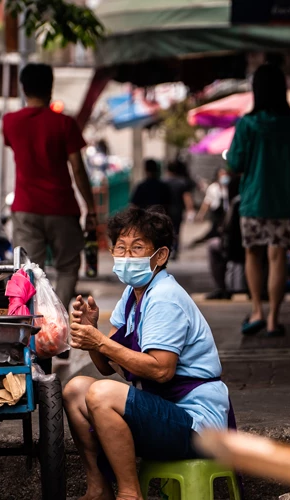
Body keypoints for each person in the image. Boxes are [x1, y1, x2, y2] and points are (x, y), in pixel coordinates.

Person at [64, 207, 231, 500]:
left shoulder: (165, 297)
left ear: (161, 256)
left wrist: (100, 342)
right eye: (121, 248)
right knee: (77, 389)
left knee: (101, 395)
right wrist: (94, 336)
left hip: (197, 424)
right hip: (164, 411)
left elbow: (161, 370)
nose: (127, 257)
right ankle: (98, 488)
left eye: (137, 248)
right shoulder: (133, 293)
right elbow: (107, 365)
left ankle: (130, 494)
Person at [227, 63, 290, 337]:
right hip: (287, 200)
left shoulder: (247, 124)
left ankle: (256, 311)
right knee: (278, 256)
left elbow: (235, 162)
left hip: (254, 201)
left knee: (254, 254)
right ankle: (275, 319)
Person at [3, 63, 98, 307]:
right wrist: (91, 207)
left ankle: (34, 329)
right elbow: (77, 168)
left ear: (23, 88)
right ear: (50, 87)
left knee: (28, 271)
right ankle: (59, 320)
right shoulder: (65, 124)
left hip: (25, 209)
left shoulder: (10, 122)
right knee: (67, 267)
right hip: (62, 207)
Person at [163, 160, 197, 258]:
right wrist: (190, 210)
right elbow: (186, 197)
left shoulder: (163, 182)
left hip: (165, 210)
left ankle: (166, 249)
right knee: (176, 230)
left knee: (165, 231)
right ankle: (175, 249)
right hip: (177, 210)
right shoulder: (182, 182)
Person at [194, 168, 231, 245]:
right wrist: (201, 215)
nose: (224, 176)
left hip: (227, 213)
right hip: (216, 213)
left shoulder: (230, 187)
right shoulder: (213, 188)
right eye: (222, 174)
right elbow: (207, 202)